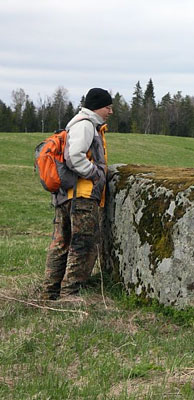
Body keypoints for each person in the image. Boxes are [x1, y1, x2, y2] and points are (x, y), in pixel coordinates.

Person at [41, 88, 112, 300]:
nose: (110, 111)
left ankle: (49, 292)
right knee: (82, 243)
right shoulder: (85, 125)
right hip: (81, 195)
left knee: (61, 243)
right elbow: (74, 156)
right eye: (108, 107)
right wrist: (95, 174)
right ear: (97, 107)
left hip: (66, 195)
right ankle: (69, 294)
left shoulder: (78, 124)